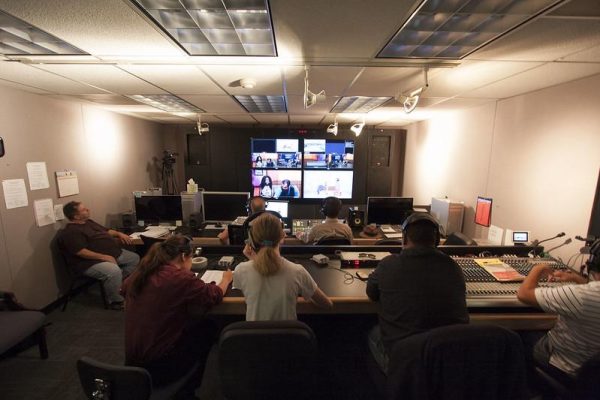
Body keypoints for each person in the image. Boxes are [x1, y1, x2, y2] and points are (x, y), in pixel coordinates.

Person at [121, 235, 233, 391]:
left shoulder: (141, 272)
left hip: (132, 361)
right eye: (191, 258)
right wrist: (226, 279)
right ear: (183, 256)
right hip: (158, 366)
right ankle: (187, 387)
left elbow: (124, 289)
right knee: (208, 326)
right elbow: (214, 294)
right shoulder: (179, 278)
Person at [366, 213, 469, 373]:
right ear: (436, 241)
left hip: (406, 360)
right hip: (446, 361)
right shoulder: (453, 267)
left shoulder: (388, 264)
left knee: (374, 333)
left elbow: (371, 293)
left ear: (404, 238)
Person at [517, 238, 600, 377]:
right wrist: (575, 278)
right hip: (592, 377)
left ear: (592, 263)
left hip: (564, 366)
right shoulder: (587, 292)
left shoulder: (581, 295)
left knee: (515, 336)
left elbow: (524, 294)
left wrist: (538, 268)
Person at [233, 212, 333, 320]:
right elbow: (327, 304)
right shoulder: (297, 271)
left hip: (254, 337)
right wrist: (306, 292)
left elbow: (255, 292)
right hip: (288, 336)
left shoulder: (241, 270)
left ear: (252, 239)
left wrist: (253, 259)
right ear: (282, 236)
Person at [58, 201, 140, 310]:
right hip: (89, 262)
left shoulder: (89, 222)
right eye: (84, 210)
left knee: (134, 258)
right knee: (113, 271)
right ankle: (116, 301)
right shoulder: (71, 232)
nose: (88, 210)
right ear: (76, 216)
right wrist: (104, 257)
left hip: (111, 254)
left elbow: (107, 231)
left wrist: (119, 234)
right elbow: (81, 252)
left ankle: (116, 284)